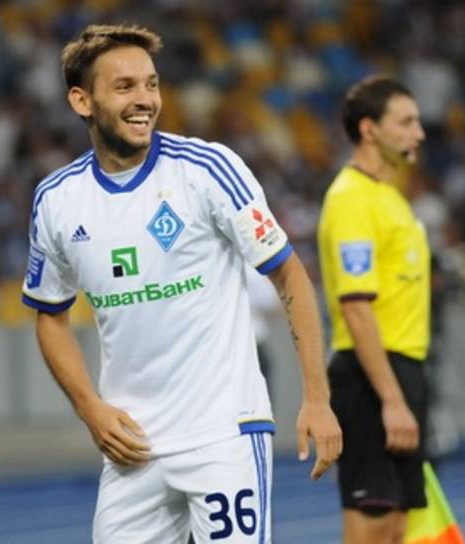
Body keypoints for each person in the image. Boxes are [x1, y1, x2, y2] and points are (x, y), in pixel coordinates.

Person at [21, 24, 341, 543]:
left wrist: (317, 399)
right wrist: (90, 408)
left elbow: (290, 275)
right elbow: (49, 317)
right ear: (82, 101)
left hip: (223, 435)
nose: (145, 99)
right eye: (124, 86)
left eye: (151, 84)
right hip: (132, 449)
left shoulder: (207, 170)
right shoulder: (57, 200)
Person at [317, 75, 429, 544]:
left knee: (397, 525)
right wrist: (391, 399)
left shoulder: (391, 197)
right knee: (372, 523)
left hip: (402, 368)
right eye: (405, 122)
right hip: (370, 377)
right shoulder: (352, 199)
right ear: (369, 129)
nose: (419, 133)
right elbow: (356, 308)